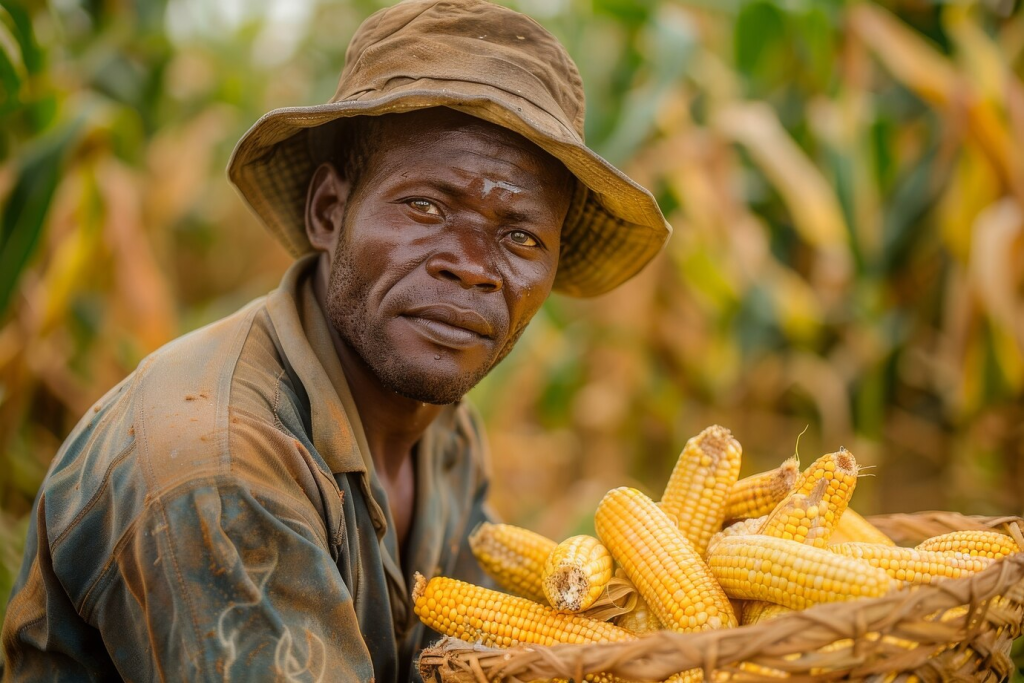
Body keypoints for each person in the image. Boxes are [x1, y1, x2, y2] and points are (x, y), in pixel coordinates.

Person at [0, 0, 671, 680]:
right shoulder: (220, 469)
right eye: (426, 206)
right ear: (329, 211)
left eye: (521, 236)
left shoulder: (442, 428)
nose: (470, 264)